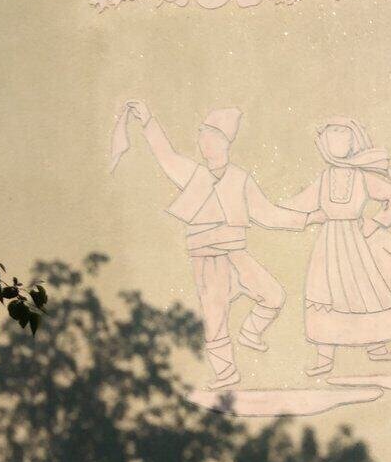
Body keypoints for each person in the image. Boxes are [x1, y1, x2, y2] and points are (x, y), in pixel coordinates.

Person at [114, 100, 320, 389]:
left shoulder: (240, 179)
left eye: (211, 136)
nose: (204, 142)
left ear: (225, 142)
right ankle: (226, 373)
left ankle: (250, 332)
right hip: (207, 258)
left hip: (236, 253)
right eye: (202, 135)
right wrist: (148, 121)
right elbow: (166, 155)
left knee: (273, 295)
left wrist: (309, 218)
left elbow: (268, 214)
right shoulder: (192, 174)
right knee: (215, 317)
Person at [283, 120, 391, 376]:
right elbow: (300, 203)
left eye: (344, 138)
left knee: (367, 292)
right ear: (325, 145)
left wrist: (378, 222)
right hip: (329, 245)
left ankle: (376, 346)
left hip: (358, 244)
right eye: (333, 138)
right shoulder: (324, 179)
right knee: (324, 295)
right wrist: (273, 211)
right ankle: (324, 358)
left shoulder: (361, 177)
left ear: (353, 143)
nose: (338, 143)